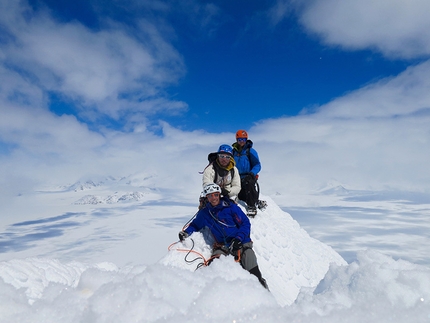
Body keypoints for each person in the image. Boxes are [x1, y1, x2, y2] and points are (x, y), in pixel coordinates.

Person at [179, 183, 268, 289]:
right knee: (215, 265)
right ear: (206, 197)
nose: (213, 198)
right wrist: (186, 232)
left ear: (219, 195)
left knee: (251, 266)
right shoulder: (205, 213)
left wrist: (238, 239)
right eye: (210, 196)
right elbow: (195, 225)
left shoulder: (231, 207)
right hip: (222, 246)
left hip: (242, 243)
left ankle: (263, 290)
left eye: (215, 195)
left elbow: (245, 223)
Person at [232, 130, 266, 217]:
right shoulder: (233, 152)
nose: (241, 142)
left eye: (243, 139)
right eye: (240, 140)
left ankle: (251, 206)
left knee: (248, 183)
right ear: (237, 140)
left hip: (248, 175)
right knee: (240, 193)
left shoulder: (250, 151)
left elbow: (257, 165)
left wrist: (252, 173)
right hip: (236, 176)